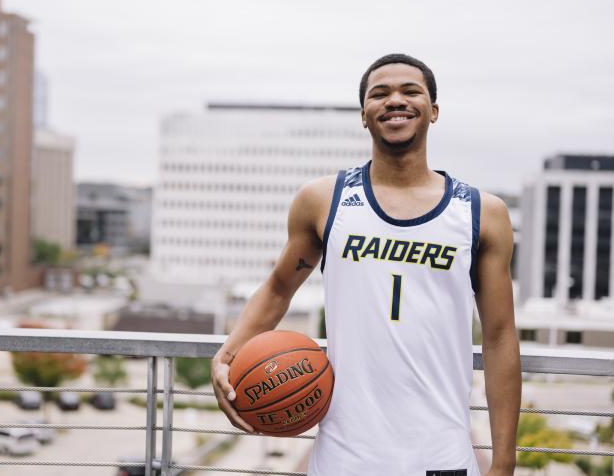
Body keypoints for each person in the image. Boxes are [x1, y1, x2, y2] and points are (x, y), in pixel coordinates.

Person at [211, 53, 520, 475]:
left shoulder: (483, 212)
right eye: (380, 94)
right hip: (343, 455)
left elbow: (500, 337)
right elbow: (279, 287)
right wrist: (228, 354)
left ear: (433, 111)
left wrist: (503, 461)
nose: (395, 100)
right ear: (364, 114)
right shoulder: (323, 200)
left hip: (441, 456)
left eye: (411, 92)